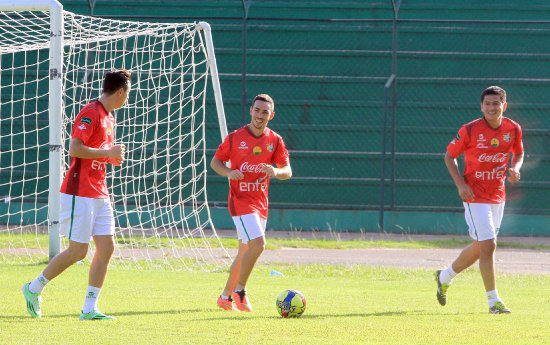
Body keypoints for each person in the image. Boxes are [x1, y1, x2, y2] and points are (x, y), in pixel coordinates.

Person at [22, 69, 131, 320]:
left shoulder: (110, 118)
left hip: (100, 191)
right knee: (78, 252)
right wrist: (107, 153)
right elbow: (75, 149)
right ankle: (33, 288)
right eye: (127, 94)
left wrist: (108, 157)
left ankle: (89, 309)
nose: (127, 99)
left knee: (107, 247)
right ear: (120, 92)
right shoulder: (91, 112)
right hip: (79, 191)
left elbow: (98, 152)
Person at [435, 86, 524, 314]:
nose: (492, 108)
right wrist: (460, 185)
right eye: (488, 104)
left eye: (496, 103)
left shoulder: (513, 129)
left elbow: (519, 153)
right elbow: (449, 156)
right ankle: (494, 301)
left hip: (498, 195)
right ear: (481, 106)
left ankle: (444, 277)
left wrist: (515, 168)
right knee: (490, 244)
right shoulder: (470, 130)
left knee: (480, 247)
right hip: (474, 196)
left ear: (504, 106)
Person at [211, 94, 292, 312]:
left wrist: (275, 171)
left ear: (271, 115)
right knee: (259, 244)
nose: (260, 115)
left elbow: (288, 171)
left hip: (260, 202)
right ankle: (240, 291)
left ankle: (225, 297)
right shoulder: (235, 137)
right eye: (257, 110)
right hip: (240, 201)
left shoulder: (275, 140)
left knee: (246, 249)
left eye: (265, 112)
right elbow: (215, 162)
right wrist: (229, 172)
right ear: (251, 111)